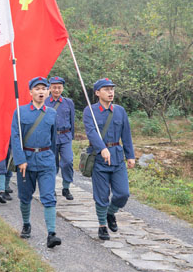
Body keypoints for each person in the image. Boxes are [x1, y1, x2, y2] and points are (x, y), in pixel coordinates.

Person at [10, 76, 61, 249]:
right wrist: (20, 159)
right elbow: (15, 137)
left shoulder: (52, 113)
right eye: (37, 89)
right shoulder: (20, 112)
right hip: (27, 160)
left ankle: (51, 234)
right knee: (25, 196)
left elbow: (54, 139)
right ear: (30, 92)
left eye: (43, 89)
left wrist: (54, 160)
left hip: (46, 159)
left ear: (48, 92)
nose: (41, 91)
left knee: (48, 196)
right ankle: (26, 224)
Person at [83, 78, 135, 241]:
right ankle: (102, 226)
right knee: (101, 194)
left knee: (123, 193)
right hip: (99, 158)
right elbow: (91, 132)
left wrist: (130, 155)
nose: (110, 92)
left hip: (117, 157)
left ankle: (111, 213)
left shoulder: (120, 111)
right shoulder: (89, 111)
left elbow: (126, 134)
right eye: (106, 89)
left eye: (112, 89)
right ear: (97, 93)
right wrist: (102, 148)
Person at [45, 76, 76, 201]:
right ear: (50, 88)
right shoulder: (45, 102)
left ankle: (66, 187)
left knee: (68, 161)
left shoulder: (68, 102)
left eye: (59, 87)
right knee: (52, 164)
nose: (57, 90)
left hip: (65, 136)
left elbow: (72, 120)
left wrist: (71, 136)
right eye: (54, 87)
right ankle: (51, 189)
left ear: (62, 88)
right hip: (51, 137)